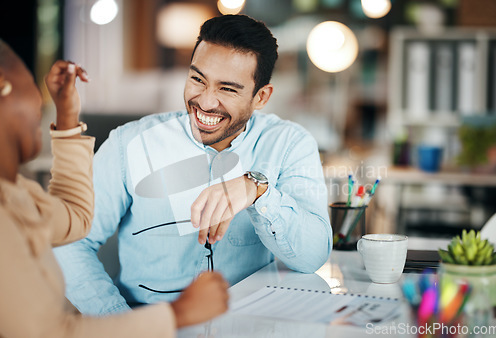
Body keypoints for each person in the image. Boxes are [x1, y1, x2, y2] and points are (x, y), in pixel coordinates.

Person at [55, 14, 332, 316]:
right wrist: (123, 325)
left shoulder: (290, 144)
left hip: (248, 326)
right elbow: (69, 244)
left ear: (260, 97)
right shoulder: (128, 144)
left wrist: (258, 191)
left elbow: (312, 256)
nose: (206, 102)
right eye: (198, 79)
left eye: (227, 89)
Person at [0, 40, 228, 337]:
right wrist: (178, 313)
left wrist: (68, 117)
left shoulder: (16, 196)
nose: (40, 102)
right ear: (4, 87)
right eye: (31, 83)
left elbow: (74, 219)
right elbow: (53, 332)